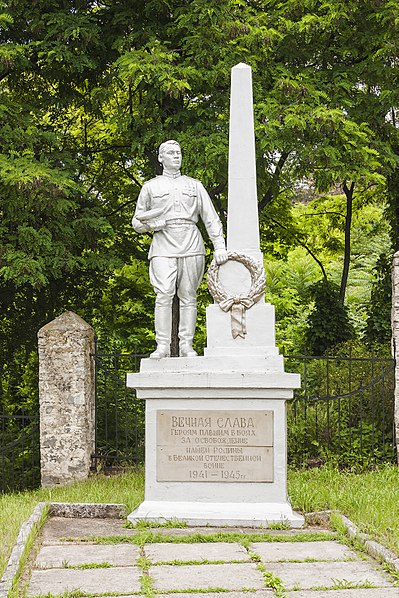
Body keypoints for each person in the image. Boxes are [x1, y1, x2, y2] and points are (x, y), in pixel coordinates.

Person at [132, 140, 228, 358]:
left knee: (188, 296)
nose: (177, 156)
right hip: (163, 242)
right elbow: (137, 222)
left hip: (190, 240)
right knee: (163, 294)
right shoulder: (150, 187)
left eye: (179, 153)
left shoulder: (195, 185)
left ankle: (186, 345)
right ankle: (163, 346)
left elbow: (210, 217)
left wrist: (220, 246)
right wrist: (150, 225)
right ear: (161, 158)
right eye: (171, 153)